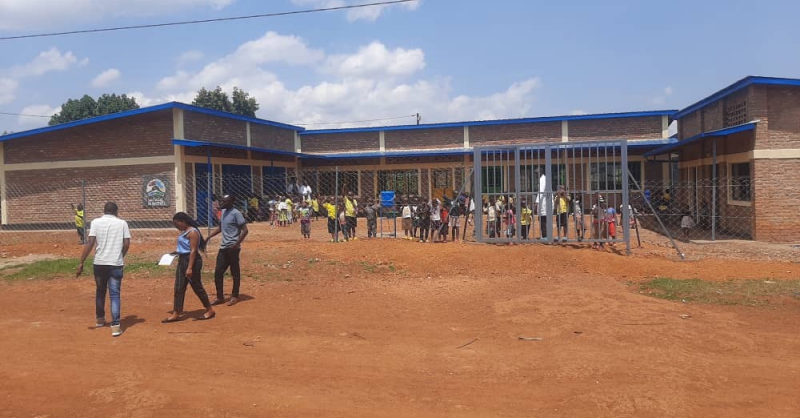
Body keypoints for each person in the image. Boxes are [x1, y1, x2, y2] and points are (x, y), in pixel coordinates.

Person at [76, 202, 131, 338]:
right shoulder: (122, 223)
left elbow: (90, 242)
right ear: (116, 211)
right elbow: (126, 243)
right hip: (115, 263)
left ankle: (100, 319)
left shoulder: (95, 222)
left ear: (104, 211)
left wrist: (81, 262)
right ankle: (116, 326)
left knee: (100, 290)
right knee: (114, 294)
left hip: (99, 263)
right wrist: (121, 255)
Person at [162, 213, 215, 323]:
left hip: (192, 261)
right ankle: (176, 312)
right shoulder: (184, 232)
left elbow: (193, 251)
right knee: (179, 287)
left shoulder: (193, 232)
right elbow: (185, 248)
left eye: (177, 224)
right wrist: (177, 252)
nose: (176, 227)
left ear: (183, 221)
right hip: (183, 260)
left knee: (197, 286)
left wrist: (190, 268)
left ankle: (209, 309)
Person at [207, 195, 249, 307]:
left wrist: (237, 244)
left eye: (224, 201)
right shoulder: (224, 212)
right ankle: (220, 297)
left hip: (233, 248)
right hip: (223, 247)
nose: (222, 202)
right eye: (221, 200)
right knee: (218, 272)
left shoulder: (236, 213)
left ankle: (235, 296)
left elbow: (245, 230)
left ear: (231, 202)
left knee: (235, 272)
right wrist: (208, 237)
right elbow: (220, 228)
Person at [534, 168, 549, 241]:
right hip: (543, 202)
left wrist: (536, 202)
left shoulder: (542, 180)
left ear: (540, 172)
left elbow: (541, 192)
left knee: (543, 220)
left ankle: (545, 236)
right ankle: (545, 235)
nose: (535, 175)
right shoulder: (543, 179)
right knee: (543, 220)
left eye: (536, 173)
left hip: (544, 203)